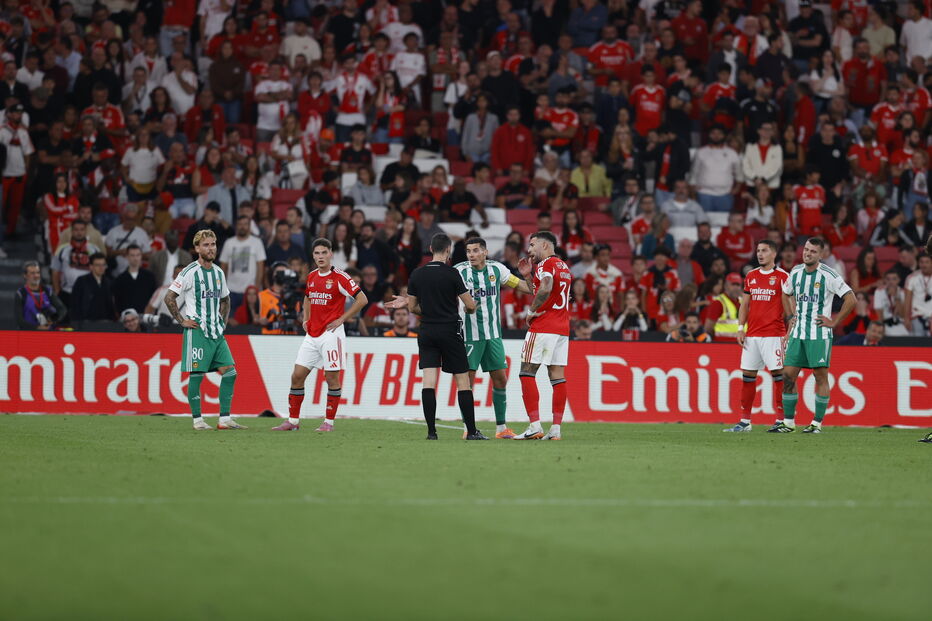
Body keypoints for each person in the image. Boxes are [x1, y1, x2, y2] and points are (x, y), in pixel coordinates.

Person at [272, 239, 368, 432]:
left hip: (331, 334)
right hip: (312, 334)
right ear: (313, 255)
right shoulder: (312, 276)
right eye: (317, 253)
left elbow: (362, 299)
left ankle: (328, 423)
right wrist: (306, 319)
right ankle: (293, 421)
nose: (321, 256)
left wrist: (342, 319)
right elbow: (307, 297)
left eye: (324, 252)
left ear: (330, 253)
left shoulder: (340, 277)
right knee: (297, 376)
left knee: (331, 378)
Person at [403, 233, 484, 440]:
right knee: (462, 381)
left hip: (427, 331)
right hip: (450, 331)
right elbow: (470, 305)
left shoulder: (417, 274)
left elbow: (412, 307)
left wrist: (430, 311)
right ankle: (472, 431)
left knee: (428, 382)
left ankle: (431, 432)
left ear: (431, 249)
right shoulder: (452, 273)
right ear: (448, 250)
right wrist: (471, 307)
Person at [772, 237, 856, 434]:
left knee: (820, 377)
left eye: (813, 251)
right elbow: (785, 293)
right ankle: (788, 423)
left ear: (821, 255)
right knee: (788, 376)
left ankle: (816, 423)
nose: (807, 254)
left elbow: (851, 299)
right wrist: (791, 316)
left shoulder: (829, 275)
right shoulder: (796, 272)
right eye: (806, 250)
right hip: (797, 333)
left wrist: (834, 321)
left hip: (819, 334)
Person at [163, 229, 244, 431]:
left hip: (216, 332)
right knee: (197, 375)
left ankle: (224, 419)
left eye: (213, 244)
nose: (211, 248)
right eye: (206, 245)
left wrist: (222, 322)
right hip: (198, 331)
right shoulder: (189, 272)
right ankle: (198, 421)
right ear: (197, 248)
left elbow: (225, 299)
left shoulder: (218, 272)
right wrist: (182, 321)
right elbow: (169, 297)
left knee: (230, 372)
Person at [724, 240, 790, 432]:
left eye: (764, 251)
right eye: (758, 251)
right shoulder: (751, 276)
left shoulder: (783, 277)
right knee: (747, 376)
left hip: (774, 335)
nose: (760, 254)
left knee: (779, 376)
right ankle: (745, 422)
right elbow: (745, 305)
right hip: (752, 335)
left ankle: (781, 420)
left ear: (774, 254)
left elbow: (790, 308)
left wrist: (789, 332)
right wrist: (740, 328)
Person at [514, 231, 572, 441]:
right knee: (557, 377)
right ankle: (555, 429)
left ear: (545, 246)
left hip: (543, 326)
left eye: (532, 245)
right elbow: (540, 289)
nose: (529, 250)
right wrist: (528, 276)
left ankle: (534, 426)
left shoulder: (546, 264)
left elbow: (545, 288)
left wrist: (531, 312)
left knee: (526, 373)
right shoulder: (564, 267)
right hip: (561, 329)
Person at [219, 215, 267, 312]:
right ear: (236, 226)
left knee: (250, 320)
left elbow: (260, 268)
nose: (242, 227)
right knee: (230, 319)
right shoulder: (229, 243)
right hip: (230, 290)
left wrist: (256, 288)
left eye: (245, 224)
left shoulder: (257, 242)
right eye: (240, 224)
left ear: (249, 226)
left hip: (250, 291)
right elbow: (223, 267)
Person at [16, 260, 67, 330]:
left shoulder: (47, 291)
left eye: (38, 272)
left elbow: (62, 309)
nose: (36, 276)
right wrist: (37, 328)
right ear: (25, 275)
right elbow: (19, 320)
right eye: (32, 273)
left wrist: (52, 319)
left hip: (47, 333)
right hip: (28, 333)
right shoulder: (21, 293)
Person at [70, 252, 116, 323]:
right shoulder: (82, 281)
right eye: (98, 265)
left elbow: (110, 304)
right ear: (91, 266)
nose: (101, 268)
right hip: (86, 322)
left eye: (103, 265)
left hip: (105, 322)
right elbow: (75, 304)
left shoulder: (109, 282)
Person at [113, 244, 157, 314]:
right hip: (127, 317)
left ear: (141, 256)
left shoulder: (150, 277)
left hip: (145, 316)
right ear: (127, 257)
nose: (135, 258)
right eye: (132, 255)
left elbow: (154, 298)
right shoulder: (120, 279)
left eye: (138, 255)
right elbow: (118, 301)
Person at [904, 253, 932, 336]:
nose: (924, 265)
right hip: (917, 315)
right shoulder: (912, 278)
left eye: (927, 262)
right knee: (918, 342)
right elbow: (907, 300)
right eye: (921, 262)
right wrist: (906, 318)